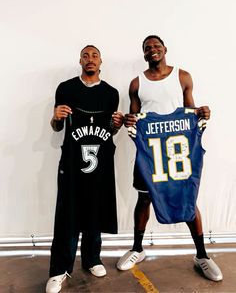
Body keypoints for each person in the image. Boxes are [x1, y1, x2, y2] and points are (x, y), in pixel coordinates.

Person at [116, 35, 223, 282]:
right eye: (146, 48)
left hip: (177, 152)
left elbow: (190, 114)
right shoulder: (136, 83)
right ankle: (137, 249)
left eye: (155, 46)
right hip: (151, 153)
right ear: (143, 54)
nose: (151, 50)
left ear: (165, 49)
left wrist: (202, 113)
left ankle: (202, 255)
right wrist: (129, 120)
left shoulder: (182, 76)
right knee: (144, 200)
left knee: (188, 197)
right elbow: (134, 122)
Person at [46, 45, 124, 293]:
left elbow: (110, 131)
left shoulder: (111, 93)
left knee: (95, 209)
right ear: (79, 61)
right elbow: (57, 127)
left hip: (99, 164)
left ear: (101, 61)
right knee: (68, 215)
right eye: (85, 55)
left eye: (94, 55)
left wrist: (116, 126)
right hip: (71, 163)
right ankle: (60, 269)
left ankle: (92, 258)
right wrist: (56, 117)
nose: (90, 59)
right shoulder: (66, 88)